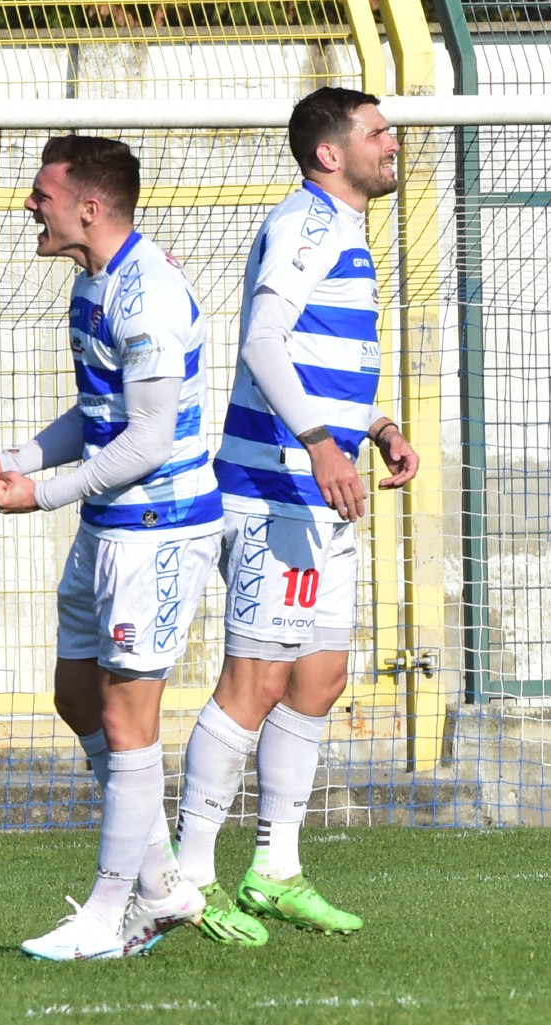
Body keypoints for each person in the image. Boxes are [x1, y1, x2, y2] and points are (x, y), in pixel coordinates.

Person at [0, 135, 223, 961]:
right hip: (105, 530)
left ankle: (108, 916)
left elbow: (147, 441)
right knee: (78, 699)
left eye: (42, 193)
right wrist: (15, 461)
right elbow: (95, 415)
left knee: (125, 717)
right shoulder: (92, 288)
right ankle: (166, 887)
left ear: (88, 208)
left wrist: (42, 494)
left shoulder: (146, 295)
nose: (29, 205)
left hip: (159, 533)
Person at [174, 87, 420, 946]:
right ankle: (188, 879)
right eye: (376, 132)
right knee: (255, 683)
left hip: (315, 485)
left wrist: (373, 425)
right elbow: (262, 341)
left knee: (319, 679)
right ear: (329, 153)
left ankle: (274, 871)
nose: (392, 143)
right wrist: (320, 443)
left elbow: (315, 359)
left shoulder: (344, 230)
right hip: (275, 486)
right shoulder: (306, 226)